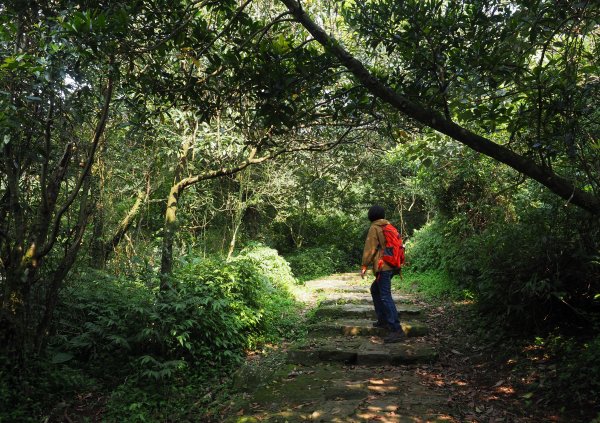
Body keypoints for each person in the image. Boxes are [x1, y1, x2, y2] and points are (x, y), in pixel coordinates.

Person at [360, 205, 405, 344]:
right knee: (375, 290)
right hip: (392, 265)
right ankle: (383, 320)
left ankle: (396, 330)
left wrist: (364, 265)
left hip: (384, 266)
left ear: (371, 216)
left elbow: (370, 248)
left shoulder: (374, 227)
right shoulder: (388, 225)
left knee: (385, 296)